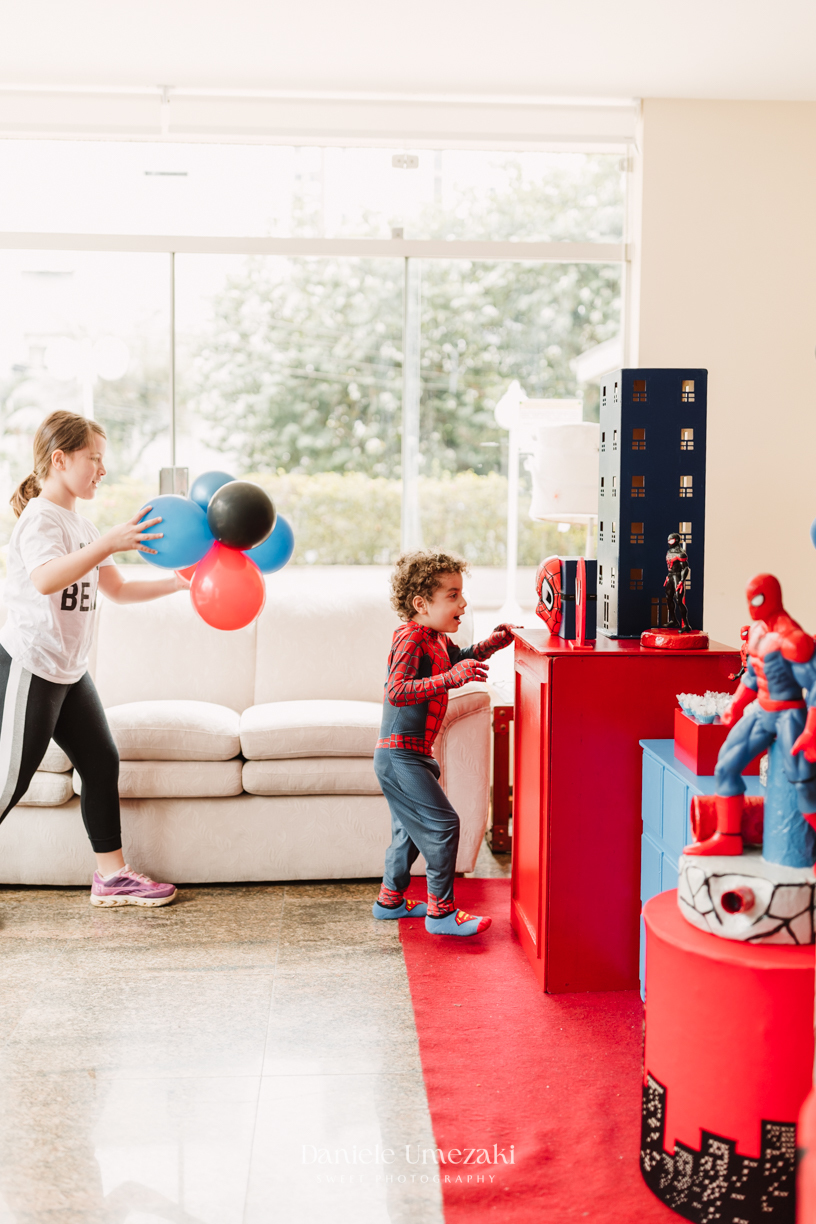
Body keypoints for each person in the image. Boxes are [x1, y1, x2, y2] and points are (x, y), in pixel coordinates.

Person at [0, 409, 187, 906]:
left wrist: (176, 583)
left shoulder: (82, 524)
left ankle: (112, 876)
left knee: (101, 762)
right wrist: (108, 542)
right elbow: (46, 578)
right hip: (31, 665)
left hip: (67, 670)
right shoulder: (41, 517)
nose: (102, 470)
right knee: (7, 783)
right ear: (60, 460)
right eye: (94, 458)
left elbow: (118, 590)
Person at [372, 550, 516, 936]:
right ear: (421, 604)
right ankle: (441, 912)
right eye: (453, 595)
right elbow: (397, 690)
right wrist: (452, 679)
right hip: (399, 754)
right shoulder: (410, 637)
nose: (463, 603)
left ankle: (390, 901)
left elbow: (460, 657)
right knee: (443, 824)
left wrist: (492, 643)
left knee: (407, 832)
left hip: (413, 754)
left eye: (461, 594)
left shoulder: (434, 639)